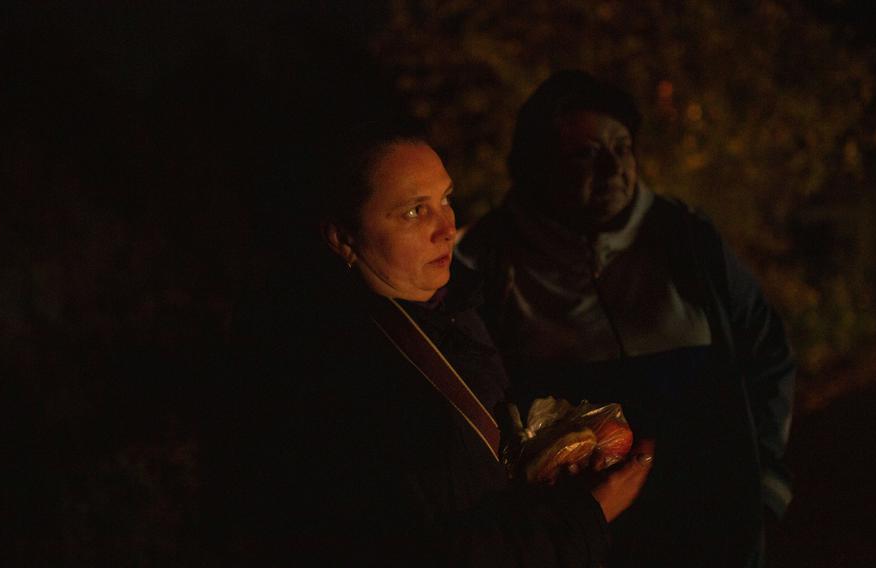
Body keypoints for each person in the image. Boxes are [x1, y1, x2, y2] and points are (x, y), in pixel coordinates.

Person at [201, 116, 656, 566]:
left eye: (446, 199)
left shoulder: (454, 309)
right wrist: (587, 516)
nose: (446, 227)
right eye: (415, 211)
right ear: (342, 238)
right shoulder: (330, 378)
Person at [456, 70, 795, 567]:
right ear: (536, 168)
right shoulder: (489, 261)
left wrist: (764, 482)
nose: (614, 167)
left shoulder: (685, 239)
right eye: (586, 153)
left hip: (714, 529)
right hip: (584, 541)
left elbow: (766, 349)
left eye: (622, 147)